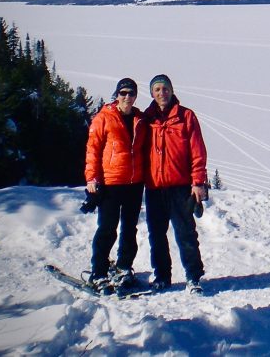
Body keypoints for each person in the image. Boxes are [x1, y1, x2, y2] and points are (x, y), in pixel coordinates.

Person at [143, 74, 208, 294]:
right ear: (152, 93)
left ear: (172, 90)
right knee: (156, 234)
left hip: (180, 186)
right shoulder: (146, 119)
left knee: (185, 233)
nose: (162, 93)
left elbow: (197, 151)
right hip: (154, 187)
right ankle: (162, 276)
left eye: (165, 88)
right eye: (158, 89)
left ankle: (193, 277)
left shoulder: (186, 116)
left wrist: (198, 182)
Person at [84, 77, 147, 294]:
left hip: (134, 183)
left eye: (131, 93)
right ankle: (98, 273)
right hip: (111, 183)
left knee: (130, 229)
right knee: (107, 229)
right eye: (123, 93)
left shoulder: (140, 119)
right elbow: (93, 149)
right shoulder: (104, 117)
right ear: (117, 95)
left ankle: (124, 268)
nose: (127, 97)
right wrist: (92, 179)